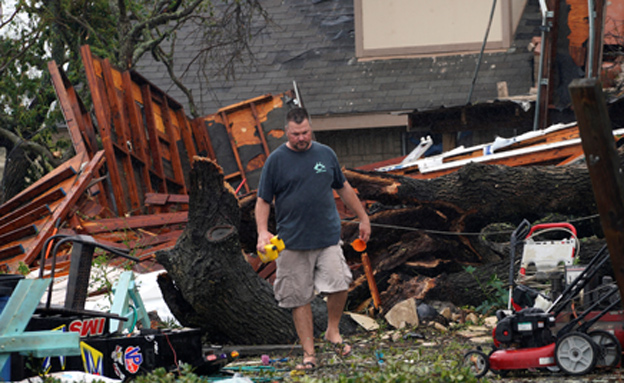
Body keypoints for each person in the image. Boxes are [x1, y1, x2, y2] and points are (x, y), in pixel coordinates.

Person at [255, 107, 371, 370]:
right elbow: (262, 200)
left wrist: (363, 217)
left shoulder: (325, 153)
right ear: (287, 132)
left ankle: (332, 331)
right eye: (296, 134)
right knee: (299, 298)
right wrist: (262, 231)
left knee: (340, 284)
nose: (301, 138)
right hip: (292, 242)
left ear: (311, 129)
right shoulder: (276, 160)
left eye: (305, 132)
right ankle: (309, 353)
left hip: (327, 236)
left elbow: (344, 189)